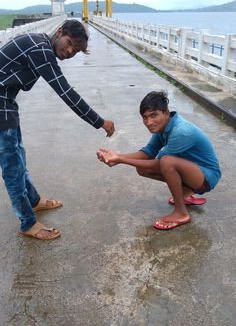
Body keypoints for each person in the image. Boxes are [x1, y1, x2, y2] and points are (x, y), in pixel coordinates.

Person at [0, 19, 115, 240]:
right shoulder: (41, 49)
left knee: (18, 156)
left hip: (6, 101)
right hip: (1, 103)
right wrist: (99, 121)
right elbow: (66, 93)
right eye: (69, 43)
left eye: (76, 50)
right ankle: (27, 223)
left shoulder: (41, 46)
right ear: (60, 32)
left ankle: (33, 201)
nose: (70, 51)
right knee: (12, 168)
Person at [97, 90, 221, 230]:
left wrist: (121, 160)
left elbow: (159, 163)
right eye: (145, 117)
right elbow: (148, 152)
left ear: (166, 113)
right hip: (193, 171)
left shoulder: (181, 131)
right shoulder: (164, 126)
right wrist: (117, 155)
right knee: (143, 168)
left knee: (167, 162)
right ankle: (185, 194)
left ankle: (181, 213)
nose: (149, 122)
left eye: (154, 115)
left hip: (207, 177)